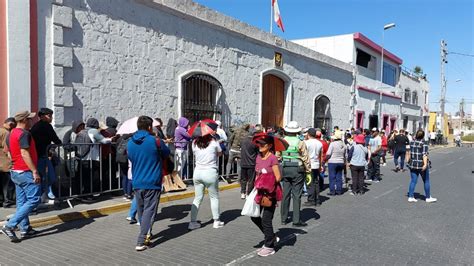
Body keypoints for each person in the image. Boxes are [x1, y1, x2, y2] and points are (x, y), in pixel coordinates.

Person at [127, 116, 170, 251]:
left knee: (141, 211)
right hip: (152, 181)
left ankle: (146, 235)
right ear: (150, 127)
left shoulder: (130, 142)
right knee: (149, 211)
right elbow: (166, 153)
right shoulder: (155, 141)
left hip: (137, 181)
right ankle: (141, 239)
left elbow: (130, 157)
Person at [2, 111, 41, 242]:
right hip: (25, 172)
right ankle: (10, 225)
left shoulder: (11, 133)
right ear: (24, 120)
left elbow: (9, 154)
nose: (31, 121)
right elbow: (24, 153)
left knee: (22, 202)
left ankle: (25, 229)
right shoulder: (24, 134)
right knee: (34, 200)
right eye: (30, 119)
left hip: (16, 172)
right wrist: (34, 171)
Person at [251, 135, 282, 257]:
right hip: (259, 191)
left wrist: (266, 177)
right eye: (259, 144)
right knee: (254, 216)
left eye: (263, 144)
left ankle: (269, 246)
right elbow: (257, 173)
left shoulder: (273, 158)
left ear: (269, 146)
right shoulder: (259, 157)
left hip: (270, 193)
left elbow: (278, 177)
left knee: (266, 219)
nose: (260, 146)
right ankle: (271, 236)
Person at [188, 134, 224, 230]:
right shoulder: (213, 141)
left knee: (197, 198)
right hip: (210, 172)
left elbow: (195, 153)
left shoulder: (194, 143)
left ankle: (192, 222)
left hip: (198, 172)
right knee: (214, 197)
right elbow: (220, 153)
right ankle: (216, 221)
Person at [280, 121, 311, 227]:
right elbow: (305, 158)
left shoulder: (282, 141)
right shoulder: (300, 142)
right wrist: (308, 171)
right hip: (297, 169)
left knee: (285, 194)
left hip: (285, 168)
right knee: (296, 195)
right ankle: (296, 220)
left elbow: (278, 156)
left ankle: (283, 218)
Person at [30, 107, 62, 201]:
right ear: (42, 116)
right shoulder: (45, 125)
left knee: (47, 177)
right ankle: (38, 197)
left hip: (42, 155)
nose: (51, 118)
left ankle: (42, 195)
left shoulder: (38, 126)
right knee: (47, 177)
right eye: (49, 116)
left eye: (51, 115)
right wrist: (60, 144)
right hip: (41, 156)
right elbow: (54, 138)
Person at [406, 130, 437, 203]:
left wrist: (407, 161)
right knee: (426, 181)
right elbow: (424, 154)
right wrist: (425, 164)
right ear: (423, 136)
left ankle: (410, 196)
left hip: (413, 164)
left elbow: (408, 152)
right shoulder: (424, 143)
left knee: (413, 181)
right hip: (421, 164)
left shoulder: (412, 142)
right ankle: (428, 197)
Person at [239, 127, 260, 199]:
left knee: (243, 179)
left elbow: (240, 148)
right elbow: (258, 152)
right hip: (251, 163)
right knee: (251, 180)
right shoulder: (255, 142)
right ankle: (248, 193)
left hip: (243, 162)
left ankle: (242, 192)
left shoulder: (243, 140)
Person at [303, 128, 323, 206]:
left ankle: (311, 199)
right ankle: (317, 199)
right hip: (316, 163)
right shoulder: (319, 143)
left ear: (308, 134)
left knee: (309, 182)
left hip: (308, 164)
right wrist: (320, 166)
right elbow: (321, 156)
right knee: (316, 182)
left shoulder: (306, 143)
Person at [0, 117, 16, 208]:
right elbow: (7, 149)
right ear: (10, 124)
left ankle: (1, 201)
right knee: (8, 184)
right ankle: (8, 202)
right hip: (5, 163)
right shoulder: (6, 133)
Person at [326, 130, 347, 195]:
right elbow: (345, 155)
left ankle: (332, 191)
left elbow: (328, 153)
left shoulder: (332, 144)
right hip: (341, 161)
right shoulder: (343, 144)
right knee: (339, 176)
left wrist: (325, 159)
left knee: (332, 177)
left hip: (332, 162)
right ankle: (339, 190)